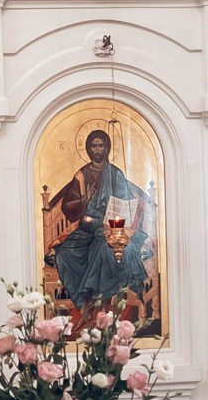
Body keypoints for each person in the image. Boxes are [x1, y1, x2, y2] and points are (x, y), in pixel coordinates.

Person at [43, 128, 154, 311]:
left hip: (111, 227)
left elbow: (124, 202)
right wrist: (85, 200)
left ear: (107, 148)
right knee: (64, 254)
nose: (97, 150)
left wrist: (124, 212)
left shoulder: (115, 174)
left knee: (102, 248)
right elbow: (67, 206)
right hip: (87, 229)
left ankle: (96, 302)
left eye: (101, 146)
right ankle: (85, 301)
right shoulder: (81, 175)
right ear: (88, 149)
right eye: (93, 146)